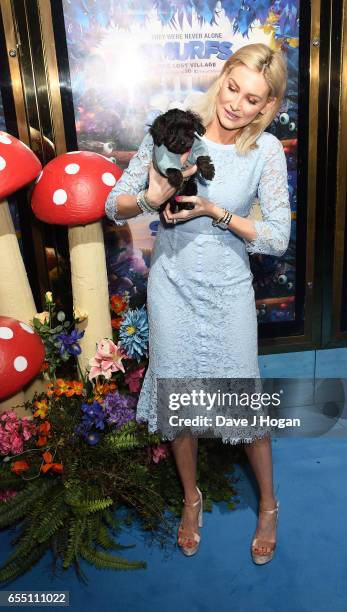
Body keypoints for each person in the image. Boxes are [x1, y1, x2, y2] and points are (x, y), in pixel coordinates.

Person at [105, 43, 291, 565]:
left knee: (243, 400)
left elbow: (275, 237)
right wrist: (153, 198)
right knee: (180, 397)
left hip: (229, 291)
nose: (237, 104)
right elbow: (113, 203)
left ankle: (270, 505)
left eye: (252, 98)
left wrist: (213, 210)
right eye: (233, 86)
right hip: (172, 288)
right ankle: (191, 498)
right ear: (223, 77)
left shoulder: (266, 151)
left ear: (266, 106)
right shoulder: (173, 130)